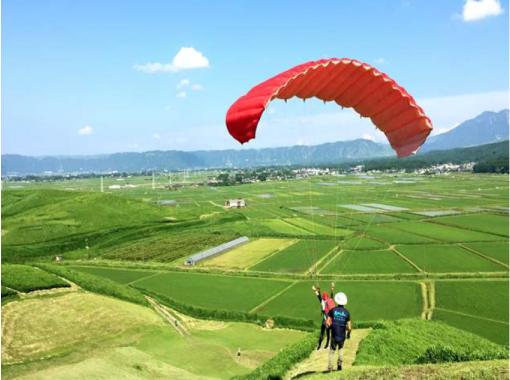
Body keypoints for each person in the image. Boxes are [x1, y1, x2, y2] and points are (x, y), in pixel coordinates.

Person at [326, 292, 352, 372]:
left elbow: (327, 322)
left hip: (334, 335)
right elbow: (349, 327)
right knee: (340, 348)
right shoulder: (347, 313)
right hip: (342, 336)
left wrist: (331, 327)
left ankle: (330, 368)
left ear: (337, 301)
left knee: (332, 352)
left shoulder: (332, 310)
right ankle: (339, 364)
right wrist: (348, 334)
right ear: (344, 303)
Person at [312, 282, 335, 350]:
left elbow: (318, 295)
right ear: (327, 297)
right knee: (328, 334)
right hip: (330, 320)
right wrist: (332, 288)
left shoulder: (322, 301)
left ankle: (319, 347)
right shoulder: (330, 300)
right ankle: (327, 346)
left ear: (323, 297)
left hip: (324, 320)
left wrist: (315, 290)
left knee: (322, 334)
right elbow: (332, 295)